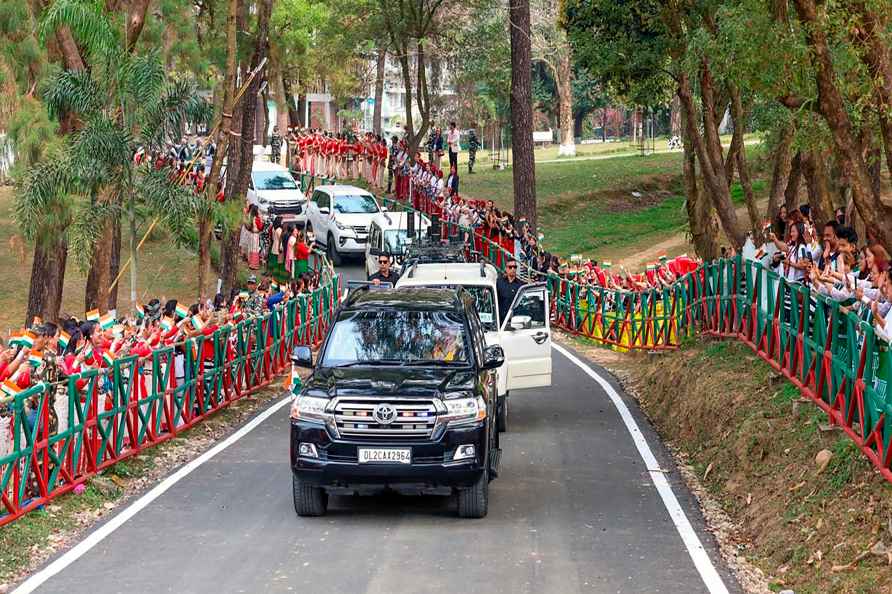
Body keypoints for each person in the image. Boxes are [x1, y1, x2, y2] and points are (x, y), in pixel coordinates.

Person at [496, 257, 525, 324]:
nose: (513, 269)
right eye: (510, 267)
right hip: (501, 321)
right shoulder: (499, 283)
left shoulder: (521, 285)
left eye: (515, 267)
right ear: (506, 268)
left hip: (516, 321)